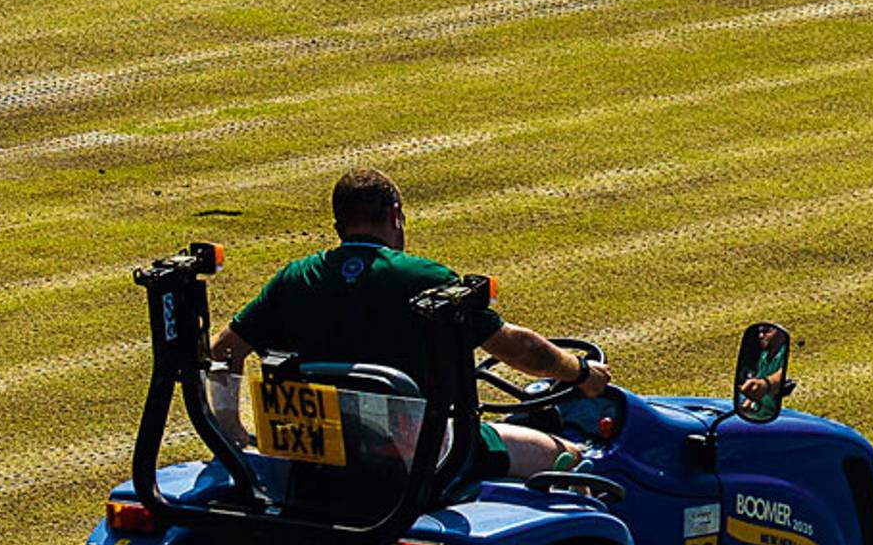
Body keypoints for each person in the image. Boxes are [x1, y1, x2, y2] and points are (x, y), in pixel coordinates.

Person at [208, 167, 605, 486]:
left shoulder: (294, 279)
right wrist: (581, 372)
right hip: (413, 455)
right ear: (396, 214)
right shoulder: (423, 278)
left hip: (316, 458)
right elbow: (522, 351)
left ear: (339, 226)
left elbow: (223, 351)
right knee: (566, 455)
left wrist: (233, 436)